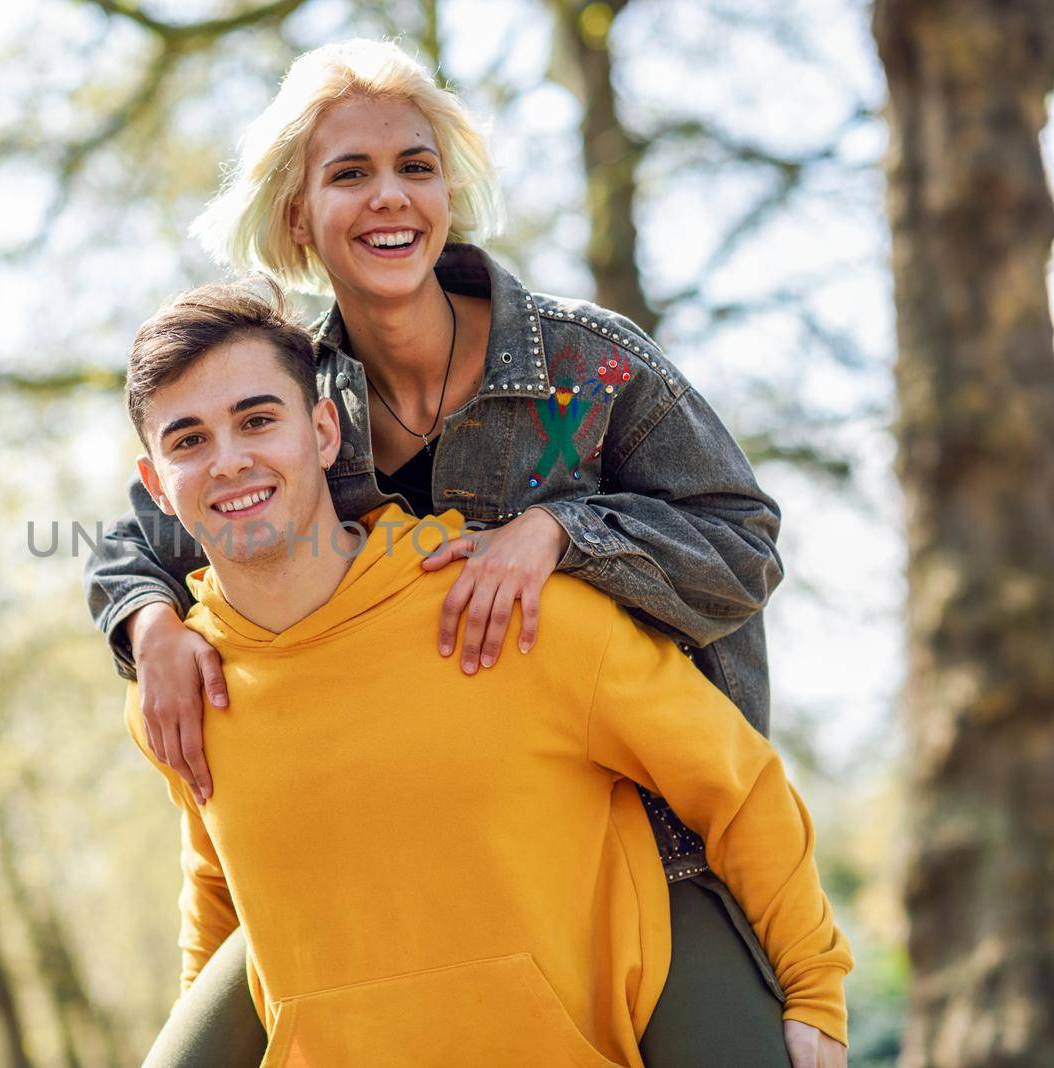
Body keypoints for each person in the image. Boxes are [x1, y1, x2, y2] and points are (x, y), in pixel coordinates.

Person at [84, 39, 791, 1066]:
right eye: (349, 173)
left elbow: (742, 544)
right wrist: (148, 624)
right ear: (297, 214)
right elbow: (140, 533)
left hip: (634, 840)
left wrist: (559, 533)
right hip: (368, 862)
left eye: (415, 167)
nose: (390, 198)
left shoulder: (584, 368)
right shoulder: (286, 396)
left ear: (447, 192)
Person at [116, 279, 851, 1068]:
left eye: (258, 420)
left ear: (325, 432)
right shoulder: (184, 686)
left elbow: (736, 783)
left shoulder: (511, 614)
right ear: (156, 485)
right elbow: (220, 887)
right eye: (188, 441)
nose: (230, 461)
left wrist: (816, 987)